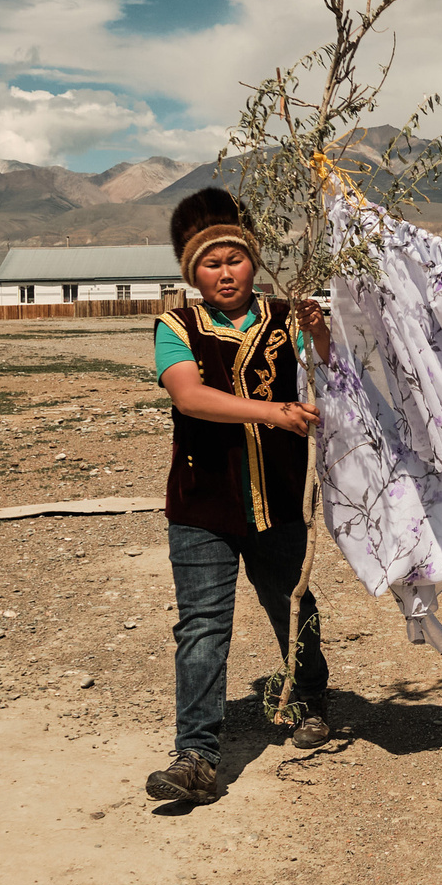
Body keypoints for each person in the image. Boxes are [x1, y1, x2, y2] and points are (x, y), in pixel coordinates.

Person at [144, 188, 335, 807]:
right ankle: (196, 755)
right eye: (210, 264)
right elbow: (189, 397)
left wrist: (321, 335)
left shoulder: (287, 318)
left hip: (278, 501)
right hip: (203, 504)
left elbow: (330, 379)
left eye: (235, 259)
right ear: (192, 273)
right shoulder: (176, 326)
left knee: (290, 606)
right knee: (201, 628)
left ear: (253, 261)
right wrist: (274, 413)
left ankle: (309, 697)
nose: (225, 273)